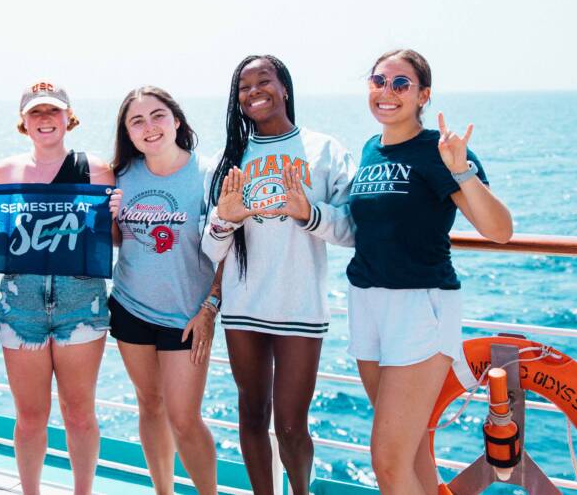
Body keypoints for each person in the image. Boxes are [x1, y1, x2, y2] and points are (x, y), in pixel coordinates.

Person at [347, 49, 511, 494]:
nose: (387, 92)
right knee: (412, 454)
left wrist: (462, 171)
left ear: (424, 95)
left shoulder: (440, 151)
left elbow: (499, 230)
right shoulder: (369, 148)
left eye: (401, 84)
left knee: (387, 462)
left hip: (420, 306)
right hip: (366, 303)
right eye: (379, 81)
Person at [202, 55, 355, 495]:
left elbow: (353, 231)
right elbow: (210, 249)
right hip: (244, 309)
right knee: (251, 415)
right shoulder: (227, 159)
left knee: (290, 426)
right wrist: (225, 220)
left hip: (299, 308)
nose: (254, 92)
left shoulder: (324, 150)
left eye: (263, 81)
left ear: (284, 87)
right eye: (244, 87)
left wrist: (309, 213)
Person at [0, 81, 112, 495]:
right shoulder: (2, 173)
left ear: (69, 117)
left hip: (80, 303)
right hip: (21, 304)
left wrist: (116, 215)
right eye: (36, 112)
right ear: (23, 122)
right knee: (29, 416)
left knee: (79, 413)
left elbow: (112, 235)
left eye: (53, 111)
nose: (45, 119)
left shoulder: (97, 169)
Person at [107, 86, 218, 495]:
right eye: (136, 121)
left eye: (157, 116)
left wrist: (211, 306)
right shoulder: (121, 176)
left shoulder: (209, 173)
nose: (148, 127)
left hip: (186, 315)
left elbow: (227, 250)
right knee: (149, 405)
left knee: (185, 418)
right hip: (130, 307)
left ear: (176, 121)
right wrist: (110, 220)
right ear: (128, 133)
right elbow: (120, 239)